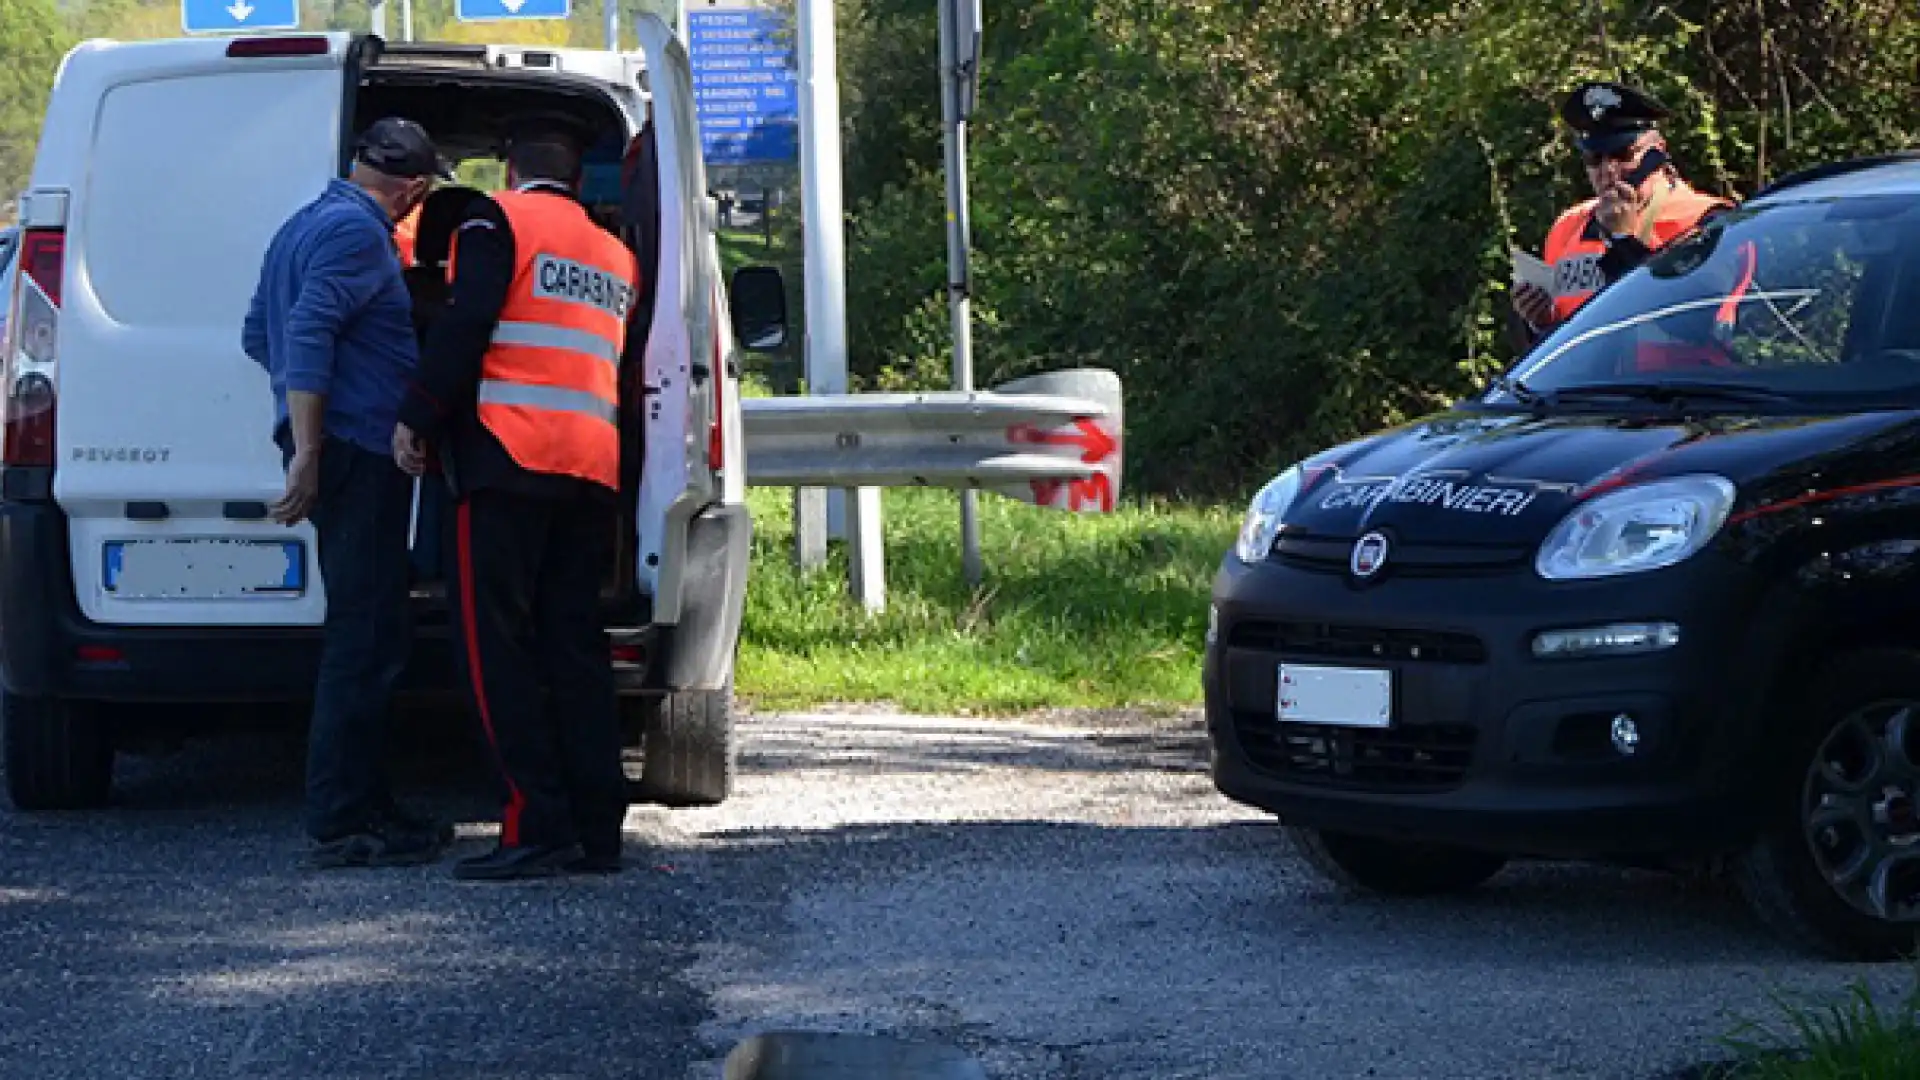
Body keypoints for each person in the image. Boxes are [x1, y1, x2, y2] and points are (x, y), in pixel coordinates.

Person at [393, 118, 638, 882]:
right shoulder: (614, 252)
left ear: (510, 169)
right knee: (574, 649)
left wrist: (419, 415)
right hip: (589, 466)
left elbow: (469, 322)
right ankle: (597, 830)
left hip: (506, 456)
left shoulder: (496, 220)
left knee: (496, 648)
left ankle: (534, 824)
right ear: (573, 177)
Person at [241, 116, 456, 869]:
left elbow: (255, 334)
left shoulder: (302, 223)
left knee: (369, 633)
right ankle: (345, 817)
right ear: (415, 190)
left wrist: (298, 422)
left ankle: (364, 803)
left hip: (345, 449)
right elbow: (303, 335)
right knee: (365, 640)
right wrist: (310, 446)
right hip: (357, 453)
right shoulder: (359, 236)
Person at [1511, 80, 1735, 351]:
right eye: (1595, 159)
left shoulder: (1707, 218)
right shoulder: (1567, 227)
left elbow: (1697, 327)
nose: (1608, 171)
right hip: (1588, 391)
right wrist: (1540, 321)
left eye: (1622, 154)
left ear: (1658, 153)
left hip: (1679, 387)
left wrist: (1623, 241)